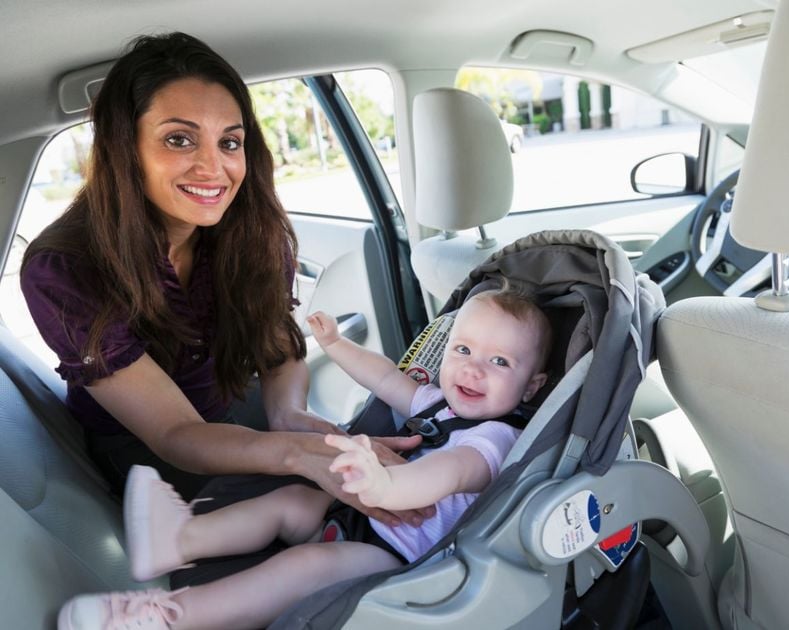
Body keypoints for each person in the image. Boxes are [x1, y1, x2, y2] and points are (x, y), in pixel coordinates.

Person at [19, 31, 418, 517]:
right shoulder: (64, 269)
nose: (214, 167)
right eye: (179, 139)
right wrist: (295, 454)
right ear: (126, 149)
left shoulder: (253, 233)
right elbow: (174, 435)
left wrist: (288, 414)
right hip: (148, 459)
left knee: (394, 473)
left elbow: (278, 353)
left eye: (229, 141)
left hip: (230, 416)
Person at [57, 287, 553, 630]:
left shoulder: (497, 438)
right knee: (293, 500)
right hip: (361, 514)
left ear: (532, 386)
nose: (472, 369)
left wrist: (384, 488)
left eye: (500, 362)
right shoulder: (438, 403)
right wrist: (336, 346)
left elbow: (449, 472)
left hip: (405, 558)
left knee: (310, 564)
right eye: (463, 349)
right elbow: (386, 380)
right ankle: (181, 536)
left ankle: (169, 616)